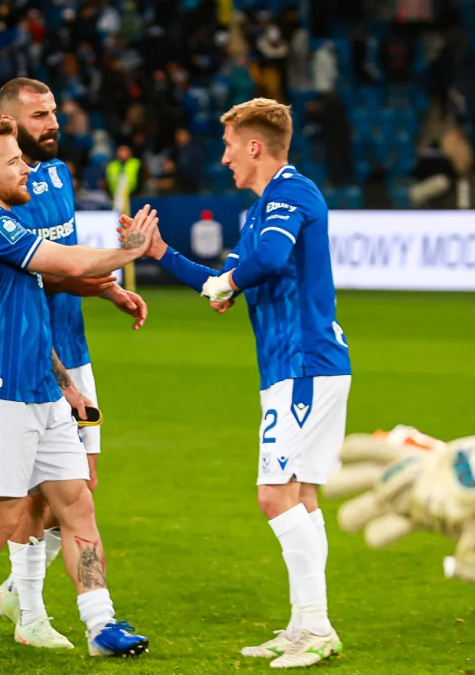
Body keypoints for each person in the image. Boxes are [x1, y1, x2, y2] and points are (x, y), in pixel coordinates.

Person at [133, 97, 350, 668]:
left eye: (230, 146)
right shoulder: (259, 210)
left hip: (303, 364)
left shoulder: (290, 193)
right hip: (297, 367)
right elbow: (223, 282)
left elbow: (270, 261)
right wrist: (162, 253)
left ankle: (317, 627)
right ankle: (304, 623)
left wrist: (230, 283)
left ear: (255, 146)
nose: (224, 158)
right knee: (301, 496)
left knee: (274, 496)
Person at [0, 119, 153, 661]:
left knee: (77, 504)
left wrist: (65, 386)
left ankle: (100, 624)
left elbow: (28, 319)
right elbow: (68, 262)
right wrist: (130, 252)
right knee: (0, 515)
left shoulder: (7, 224)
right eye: (13, 162)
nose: (26, 169)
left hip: (40, 390)